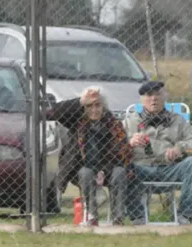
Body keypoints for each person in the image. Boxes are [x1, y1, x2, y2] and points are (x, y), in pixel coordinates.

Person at [46, 87, 134, 225]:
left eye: (97, 105)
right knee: (86, 173)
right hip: (82, 168)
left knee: (120, 172)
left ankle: (118, 217)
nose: (94, 109)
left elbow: (121, 152)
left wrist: (104, 171)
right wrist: (80, 101)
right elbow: (52, 113)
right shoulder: (76, 122)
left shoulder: (114, 124)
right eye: (89, 105)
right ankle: (92, 216)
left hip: (109, 168)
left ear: (103, 106)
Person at [125, 81, 192, 225]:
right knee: (123, 168)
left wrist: (181, 148)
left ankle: (184, 216)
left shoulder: (178, 120)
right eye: (149, 95)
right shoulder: (130, 121)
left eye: (158, 94)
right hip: (141, 169)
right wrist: (129, 143)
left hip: (171, 169)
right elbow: (112, 146)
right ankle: (137, 216)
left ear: (165, 96)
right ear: (142, 99)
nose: (153, 99)